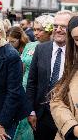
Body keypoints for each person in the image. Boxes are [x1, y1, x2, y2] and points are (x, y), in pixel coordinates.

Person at [26, 11, 72, 140]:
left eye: (63, 27)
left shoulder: (75, 54)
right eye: (56, 26)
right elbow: (32, 82)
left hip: (67, 117)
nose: (58, 30)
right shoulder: (41, 49)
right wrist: (31, 111)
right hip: (41, 116)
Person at [13, 15, 54, 140]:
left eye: (39, 30)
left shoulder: (53, 48)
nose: (35, 33)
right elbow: (22, 67)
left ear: (49, 30)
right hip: (23, 88)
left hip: (37, 91)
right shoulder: (29, 46)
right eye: (34, 29)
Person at [50, 16, 78, 140]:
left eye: (62, 26)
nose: (58, 29)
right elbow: (56, 99)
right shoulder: (73, 65)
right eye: (77, 39)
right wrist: (72, 128)